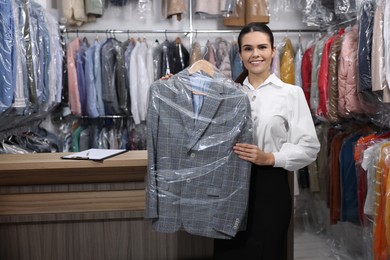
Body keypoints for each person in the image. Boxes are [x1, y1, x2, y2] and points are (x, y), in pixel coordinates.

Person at [213, 23, 320, 259]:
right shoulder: (227, 93)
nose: (255, 54)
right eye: (248, 49)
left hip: (270, 189)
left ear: (273, 51)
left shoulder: (291, 94)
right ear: (240, 54)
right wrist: (172, 84)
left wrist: (271, 157)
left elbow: (310, 147)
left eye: (262, 47)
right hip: (228, 188)